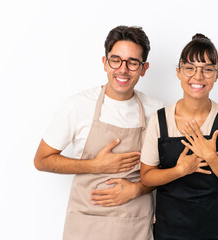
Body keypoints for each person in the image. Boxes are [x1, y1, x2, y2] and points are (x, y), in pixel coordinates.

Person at [34, 25, 163, 240]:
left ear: (144, 68)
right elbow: (42, 160)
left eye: (132, 62)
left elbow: (168, 171)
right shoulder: (78, 106)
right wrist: (96, 165)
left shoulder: (156, 111)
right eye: (116, 60)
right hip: (86, 227)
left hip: (135, 227)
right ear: (105, 63)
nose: (123, 69)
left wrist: (137, 189)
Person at [140, 34, 218, 240]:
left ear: (216, 75)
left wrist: (211, 157)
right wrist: (180, 170)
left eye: (207, 69)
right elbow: (146, 177)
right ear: (178, 72)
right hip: (169, 230)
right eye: (190, 68)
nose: (198, 76)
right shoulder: (160, 120)